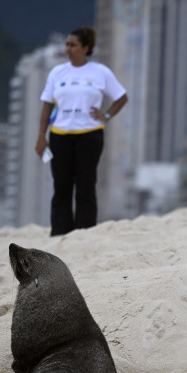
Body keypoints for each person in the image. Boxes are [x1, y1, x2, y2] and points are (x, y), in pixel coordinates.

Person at [35, 27, 128, 236]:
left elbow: (121, 97)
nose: (68, 49)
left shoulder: (100, 72)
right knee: (61, 186)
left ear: (86, 48)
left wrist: (106, 115)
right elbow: (47, 105)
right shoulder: (57, 72)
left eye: (73, 45)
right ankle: (60, 232)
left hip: (89, 135)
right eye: (67, 44)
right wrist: (41, 136)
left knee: (86, 185)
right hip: (60, 135)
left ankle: (85, 233)